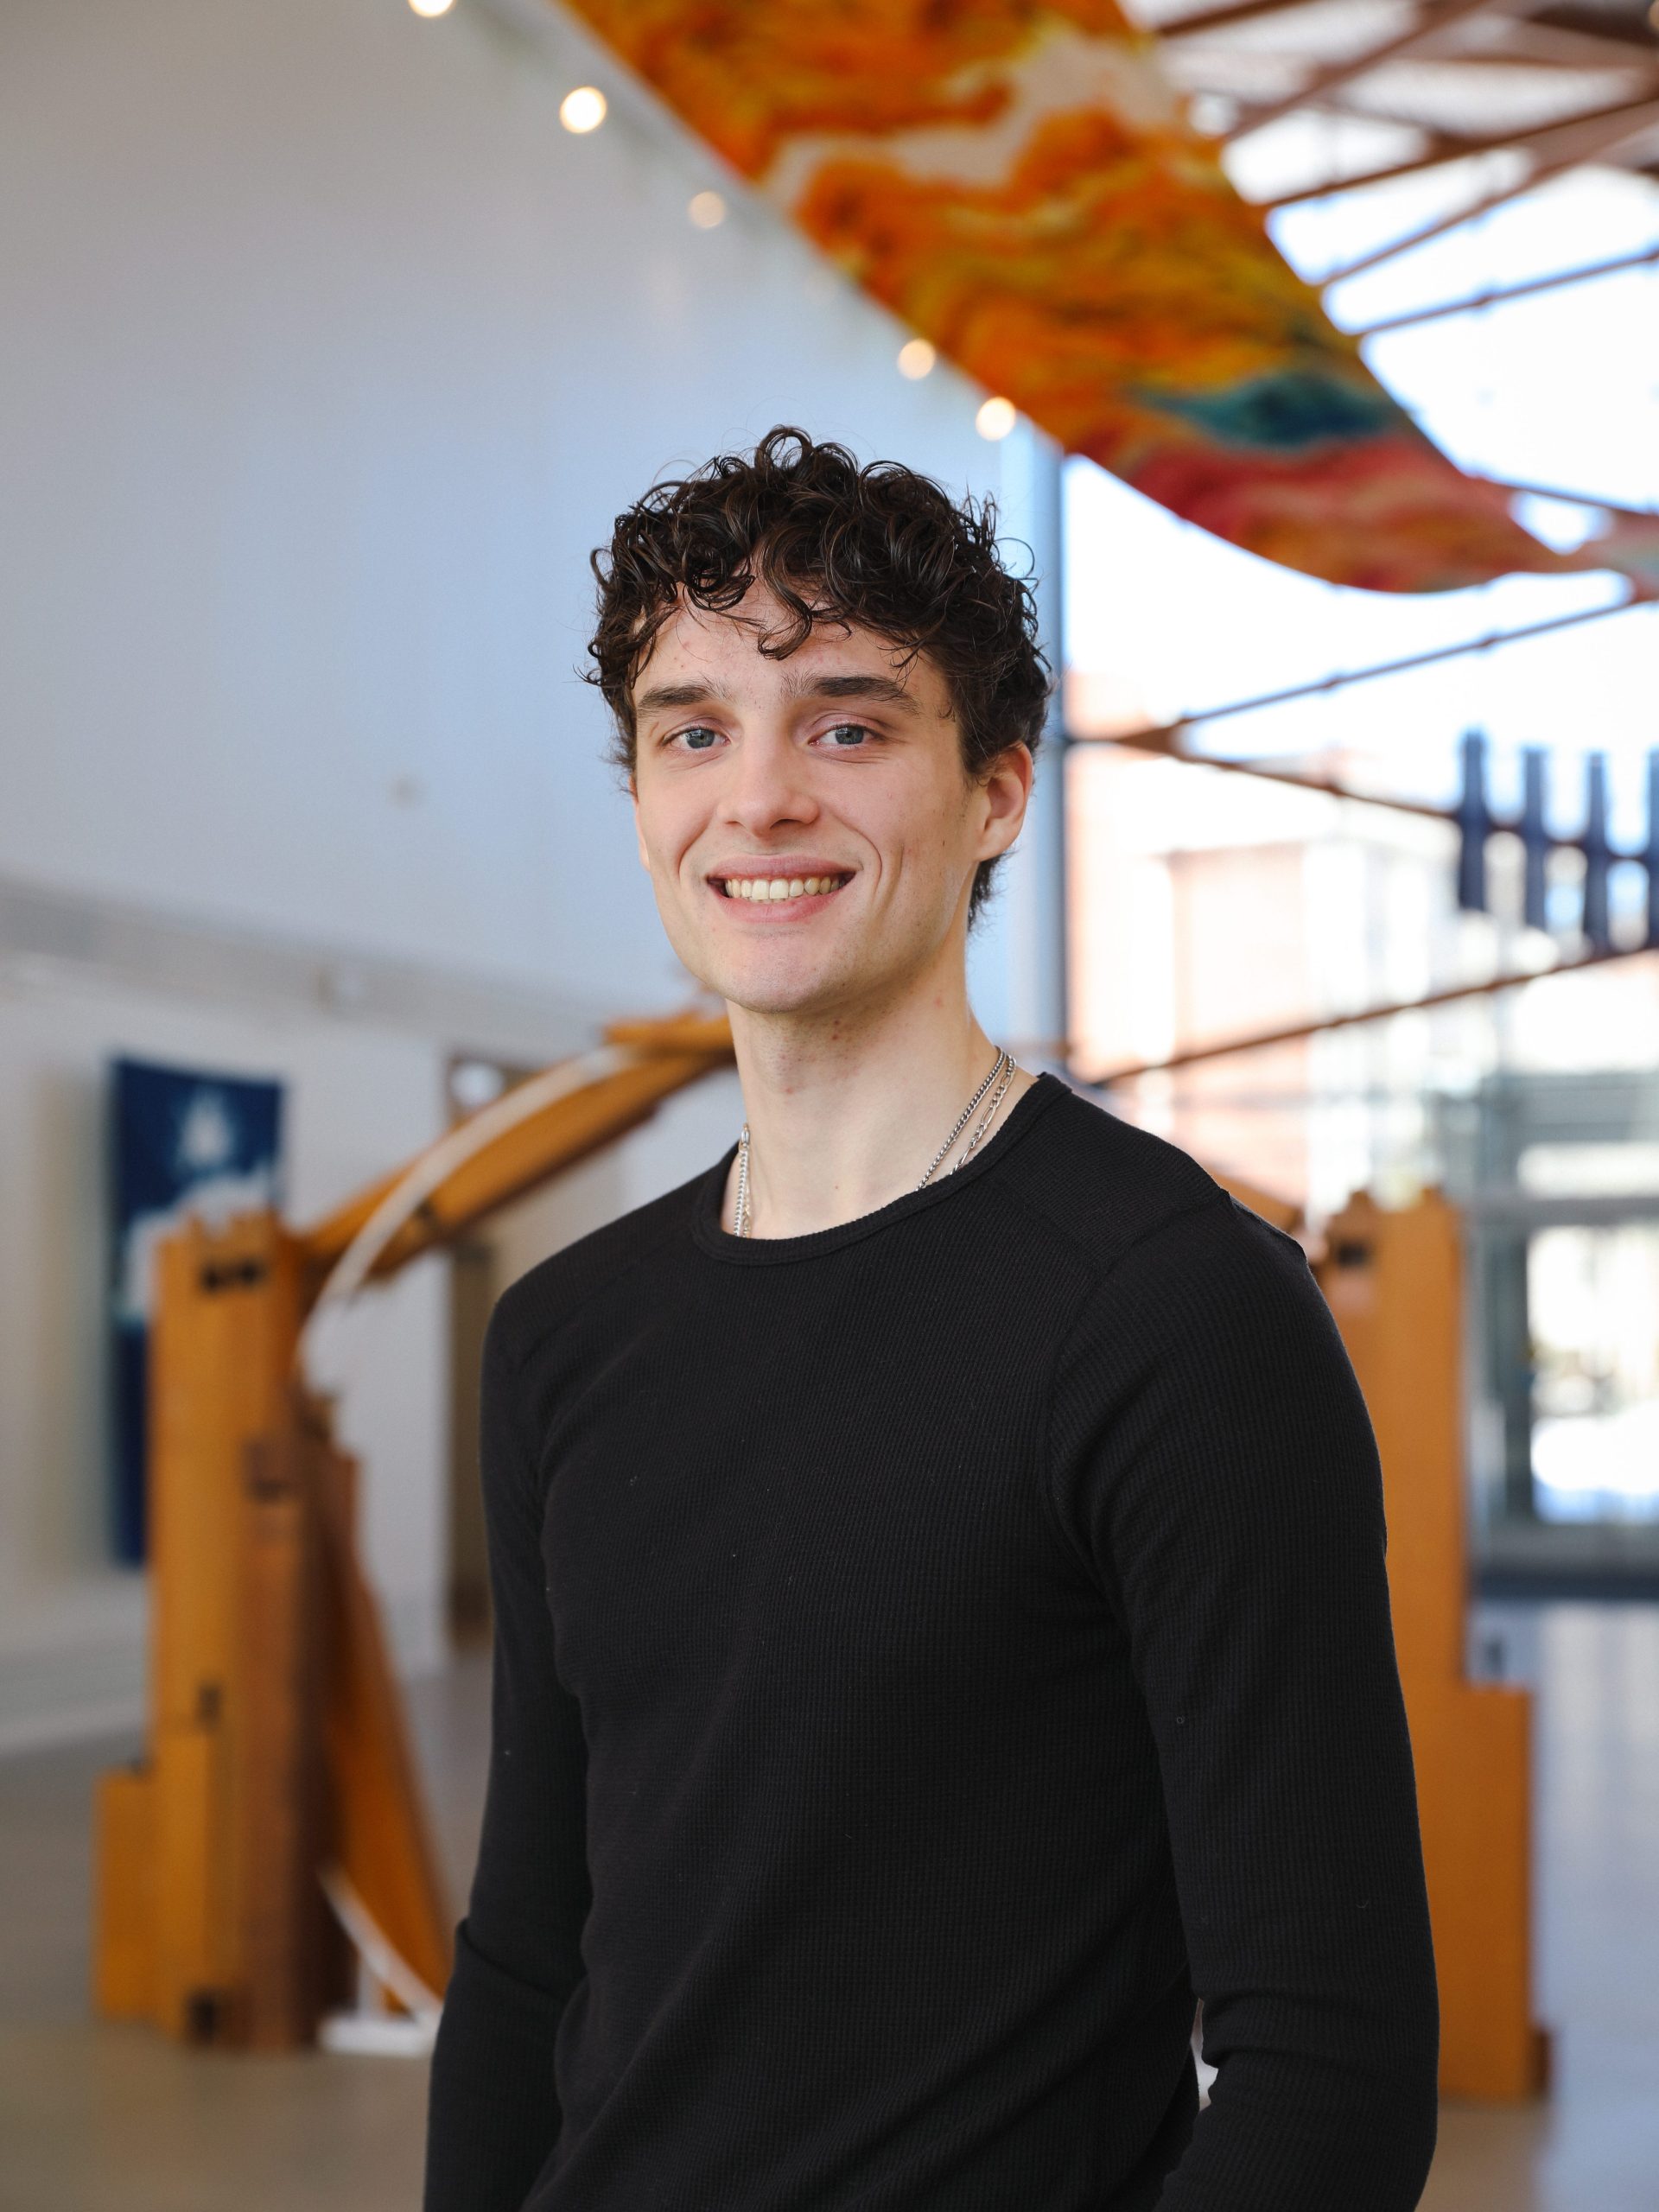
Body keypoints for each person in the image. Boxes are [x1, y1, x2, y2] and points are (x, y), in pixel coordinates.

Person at [423, 427, 1439, 2212]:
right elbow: (527, 1959)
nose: (757, 800)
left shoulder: (1176, 1313)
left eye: (847, 721)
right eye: (692, 729)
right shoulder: (567, 1335)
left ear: (997, 791)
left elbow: (1328, 2069)